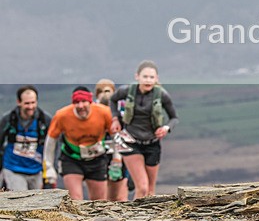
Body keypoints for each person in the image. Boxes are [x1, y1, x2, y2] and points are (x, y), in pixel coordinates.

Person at [108, 60, 179, 199]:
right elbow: (112, 100)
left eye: (151, 77)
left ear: (156, 79)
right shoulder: (127, 91)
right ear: (137, 77)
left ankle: (148, 220)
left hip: (152, 143)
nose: (148, 80)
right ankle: (133, 220)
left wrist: (166, 128)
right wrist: (115, 118)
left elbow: (174, 118)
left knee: (151, 191)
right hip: (130, 141)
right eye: (145, 76)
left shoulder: (161, 95)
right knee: (142, 187)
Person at [43, 86, 119, 200]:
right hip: (71, 159)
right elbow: (50, 141)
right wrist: (48, 167)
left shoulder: (104, 112)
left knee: (99, 202)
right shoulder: (61, 115)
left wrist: (117, 159)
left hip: (97, 159)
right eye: (77, 102)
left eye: (84, 102)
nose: (81, 106)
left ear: (90, 101)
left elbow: (116, 136)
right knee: (76, 199)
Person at [0, 85, 52, 190]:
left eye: (33, 103)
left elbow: (52, 145)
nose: (30, 107)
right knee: (21, 198)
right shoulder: (9, 119)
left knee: (38, 202)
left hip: (36, 170)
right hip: (13, 168)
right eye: (27, 103)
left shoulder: (44, 120)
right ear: (19, 102)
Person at [94, 79, 129, 201]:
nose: (106, 94)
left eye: (109, 91)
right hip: (99, 153)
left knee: (120, 194)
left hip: (119, 152)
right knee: (101, 195)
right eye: (102, 91)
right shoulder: (92, 110)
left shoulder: (121, 110)